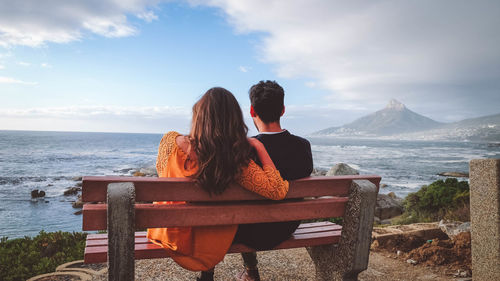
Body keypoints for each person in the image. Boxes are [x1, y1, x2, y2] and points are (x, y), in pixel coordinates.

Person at [147, 87, 289, 281]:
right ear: (234, 121)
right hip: (209, 248)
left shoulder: (170, 142)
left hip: (168, 235)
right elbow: (277, 190)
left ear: (198, 116)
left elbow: (162, 171)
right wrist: (259, 146)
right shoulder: (235, 159)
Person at [234, 80, 313, 281]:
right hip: (286, 227)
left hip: (249, 231)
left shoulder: (246, 150)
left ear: (252, 111)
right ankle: (251, 273)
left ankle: (249, 272)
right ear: (283, 110)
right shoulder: (303, 146)